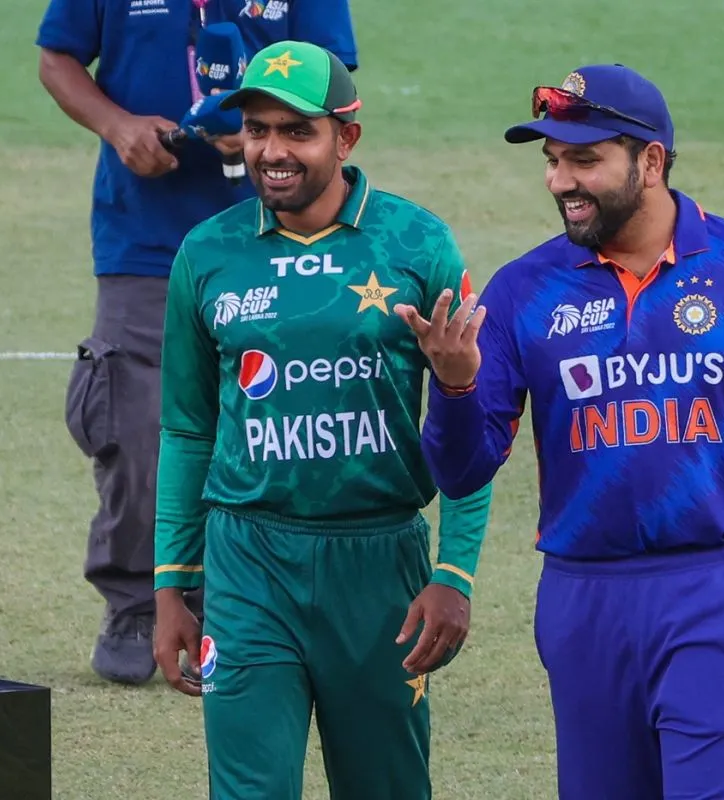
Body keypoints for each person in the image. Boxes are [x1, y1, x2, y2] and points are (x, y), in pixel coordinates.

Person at [397, 64, 724, 799]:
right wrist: (456, 387)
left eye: (584, 159)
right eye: (553, 161)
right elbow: (461, 473)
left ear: (650, 161)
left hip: (722, 589)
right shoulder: (525, 290)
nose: (560, 181)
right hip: (581, 600)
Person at [151, 40, 493, 800]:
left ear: (346, 137)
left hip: (379, 568)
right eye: (257, 130)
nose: (272, 151)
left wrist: (454, 571)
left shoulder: (418, 243)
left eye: (296, 131)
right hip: (248, 560)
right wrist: (172, 583)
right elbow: (186, 428)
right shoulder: (207, 254)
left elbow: (472, 425)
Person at [34, 0, 358, 685]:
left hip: (272, 232)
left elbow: (332, 81)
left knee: (274, 421)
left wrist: (261, 134)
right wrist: (117, 126)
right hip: (143, 237)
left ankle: (242, 607)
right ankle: (135, 605)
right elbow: (56, 58)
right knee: (133, 425)